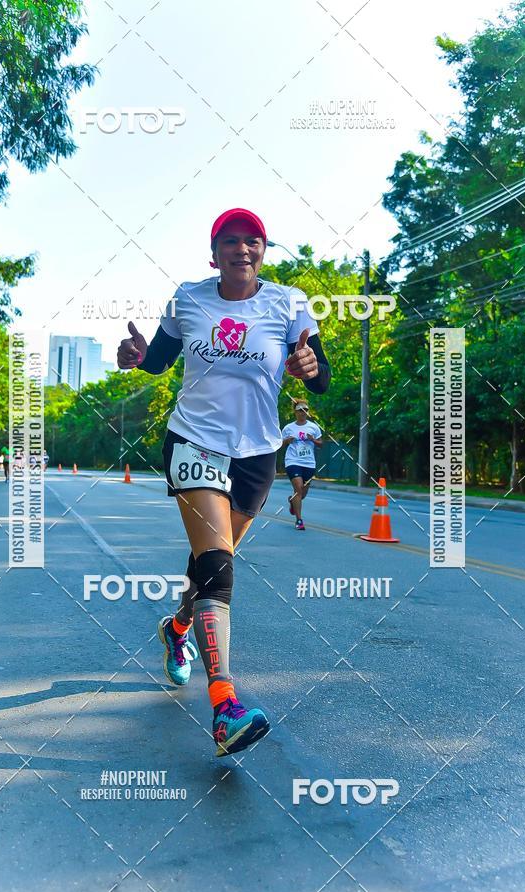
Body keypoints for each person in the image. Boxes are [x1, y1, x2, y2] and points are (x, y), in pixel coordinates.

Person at [117, 208, 331, 757]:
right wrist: (138, 358)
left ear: (264, 250)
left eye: (253, 241)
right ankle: (224, 707)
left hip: (257, 455)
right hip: (193, 441)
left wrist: (309, 363)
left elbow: (321, 375)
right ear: (213, 254)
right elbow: (158, 361)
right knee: (218, 569)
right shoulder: (188, 298)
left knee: (214, 564)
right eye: (230, 241)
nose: (242, 248)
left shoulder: (289, 302)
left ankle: (179, 627)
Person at [281, 399, 323, 531]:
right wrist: (287, 440)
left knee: (302, 494)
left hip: (309, 463)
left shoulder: (313, 427)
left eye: (305, 410)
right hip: (293, 461)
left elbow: (321, 444)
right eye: (300, 410)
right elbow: (279, 444)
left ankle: (293, 502)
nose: (303, 412)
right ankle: (299, 520)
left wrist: (313, 440)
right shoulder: (288, 428)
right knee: (298, 489)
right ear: (295, 412)